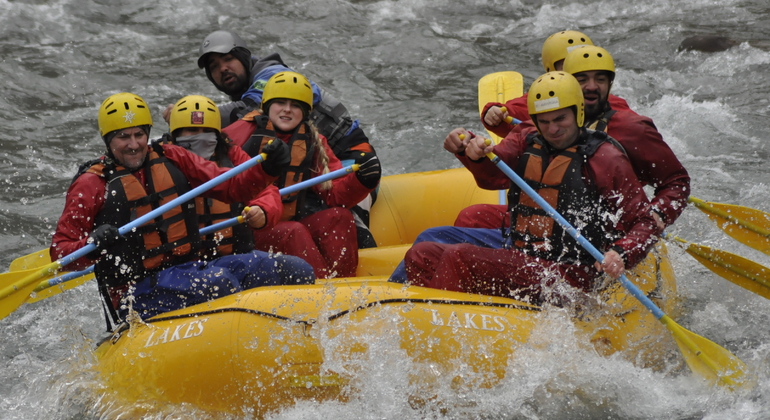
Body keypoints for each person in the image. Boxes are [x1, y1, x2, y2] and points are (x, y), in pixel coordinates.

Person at [50, 92, 314, 328]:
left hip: (192, 268)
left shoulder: (172, 155)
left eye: (139, 134)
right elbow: (60, 253)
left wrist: (266, 170)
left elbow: (231, 186)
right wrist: (93, 243)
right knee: (220, 283)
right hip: (136, 293)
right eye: (123, 137)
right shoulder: (91, 184)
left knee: (295, 269)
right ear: (108, 140)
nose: (133, 144)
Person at [390, 72, 658, 304]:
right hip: (523, 255)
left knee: (460, 257)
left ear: (577, 112)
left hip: (570, 273)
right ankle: (435, 317)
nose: (552, 129)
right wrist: (471, 152)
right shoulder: (527, 140)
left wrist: (622, 252)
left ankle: (445, 325)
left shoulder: (606, 157)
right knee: (422, 253)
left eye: (560, 119)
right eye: (544, 121)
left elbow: (645, 221)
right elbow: (491, 175)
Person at [457, 44, 690, 234]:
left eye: (600, 79)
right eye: (581, 80)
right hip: (545, 216)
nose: (591, 87)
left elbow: (676, 181)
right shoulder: (541, 120)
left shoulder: (632, 128)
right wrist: (476, 142)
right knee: (472, 216)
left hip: (596, 228)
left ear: (610, 83)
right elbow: (500, 169)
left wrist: (658, 213)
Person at [180, 29, 379, 248]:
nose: (223, 68)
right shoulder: (249, 125)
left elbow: (245, 109)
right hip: (307, 172)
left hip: (351, 160)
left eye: (228, 59)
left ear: (245, 58)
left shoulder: (273, 75)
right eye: (214, 67)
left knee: (352, 228)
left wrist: (187, 118)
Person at [222, 71, 381, 279]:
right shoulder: (240, 132)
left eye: (295, 105)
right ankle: (322, 294)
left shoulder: (312, 140)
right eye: (280, 102)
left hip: (289, 223)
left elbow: (334, 193)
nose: (287, 110)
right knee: (292, 231)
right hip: (247, 229)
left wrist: (362, 181)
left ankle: (345, 285)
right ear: (267, 106)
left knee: (338, 218)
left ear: (305, 112)